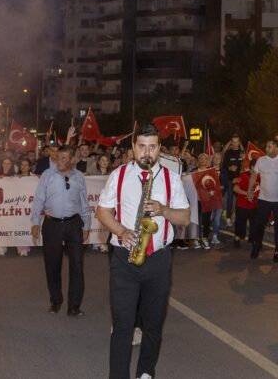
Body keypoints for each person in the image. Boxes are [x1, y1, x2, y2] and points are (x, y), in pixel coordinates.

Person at [96, 125, 191, 379]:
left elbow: (184, 218)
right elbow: (102, 211)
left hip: (158, 260)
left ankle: (146, 371)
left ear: (159, 148)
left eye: (152, 146)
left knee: (153, 324)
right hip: (124, 260)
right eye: (141, 146)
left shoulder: (172, 179)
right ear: (133, 149)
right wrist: (122, 230)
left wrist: (163, 210)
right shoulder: (119, 175)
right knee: (123, 326)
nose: (146, 152)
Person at [30, 146, 91, 315]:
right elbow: (38, 200)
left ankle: (74, 306)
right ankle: (56, 300)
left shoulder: (79, 177)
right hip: (52, 225)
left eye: (64, 158)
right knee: (52, 265)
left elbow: (84, 202)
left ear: (72, 159)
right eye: (58, 158)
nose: (60, 161)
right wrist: (35, 221)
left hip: (74, 224)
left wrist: (86, 225)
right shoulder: (47, 175)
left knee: (77, 266)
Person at [249, 140, 278, 263]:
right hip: (264, 199)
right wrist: (249, 190)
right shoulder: (261, 160)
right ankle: (257, 246)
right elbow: (253, 176)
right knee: (258, 225)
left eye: (270, 146)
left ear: (277, 148)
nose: (266, 148)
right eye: (266, 146)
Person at [232, 160, 258, 248]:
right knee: (240, 223)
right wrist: (247, 193)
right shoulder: (243, 175)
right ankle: (237, 239)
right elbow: (235, 188)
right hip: (242, 204)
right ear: (251, 166)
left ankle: (253, 239)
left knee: (255, 224)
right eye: (256, 166)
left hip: (254, 205)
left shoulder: (260, 177)